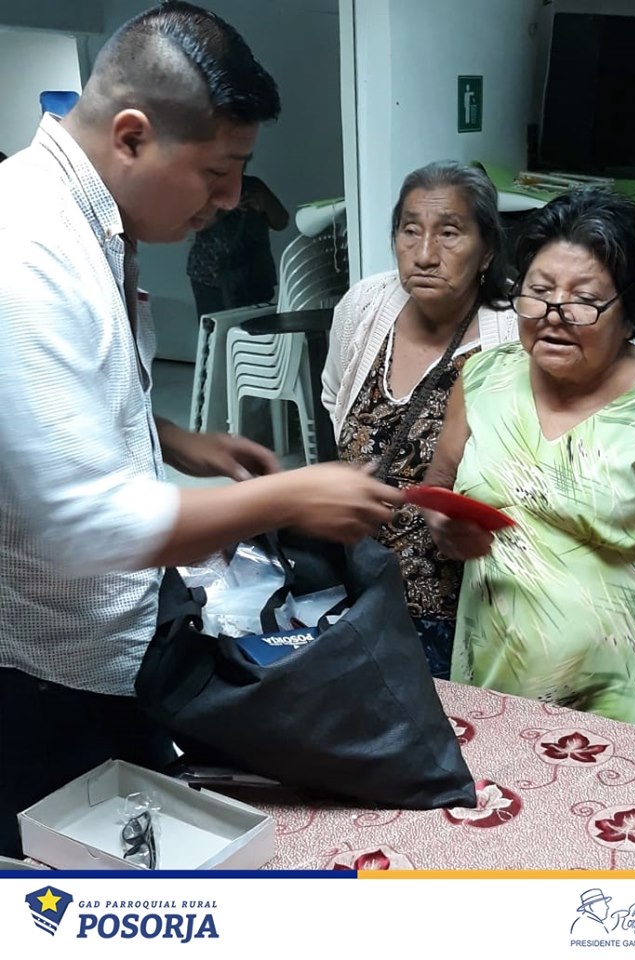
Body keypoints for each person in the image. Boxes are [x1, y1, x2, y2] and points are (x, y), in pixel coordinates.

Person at [0, 1, 404, 858]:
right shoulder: (27, 252)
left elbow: (52, 401)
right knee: (77, 888)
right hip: (43, 679)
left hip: (115, 644)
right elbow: (86, 522)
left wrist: (178, 441)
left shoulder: (90, 223)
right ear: (133, 136)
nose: (230, 199)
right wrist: (286, 496)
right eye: (219, 171)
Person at [425, 187, 635, 735]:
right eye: (538, 292)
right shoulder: (484, 378)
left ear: (630, 315)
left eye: (584, 299)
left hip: (625, 713)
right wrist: (442, 522)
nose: (552, 315)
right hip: (490, 694)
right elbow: (439, 481)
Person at [321, 160, 517, 679]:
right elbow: (334, 396)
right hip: (356, 589)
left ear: (487, 251)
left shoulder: (514, 336)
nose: (425, 254)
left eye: (449, 233)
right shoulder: (366, 306)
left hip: (459, 606)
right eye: (410, 230)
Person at [187, 170, 289, 318]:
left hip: (253, 273)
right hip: (211, 275)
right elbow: (194, 224)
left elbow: (282, 221)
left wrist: (263, 204)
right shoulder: (204, 188)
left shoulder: (254, 186)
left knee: (258, 323)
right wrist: (227, 207)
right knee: (217, 326)